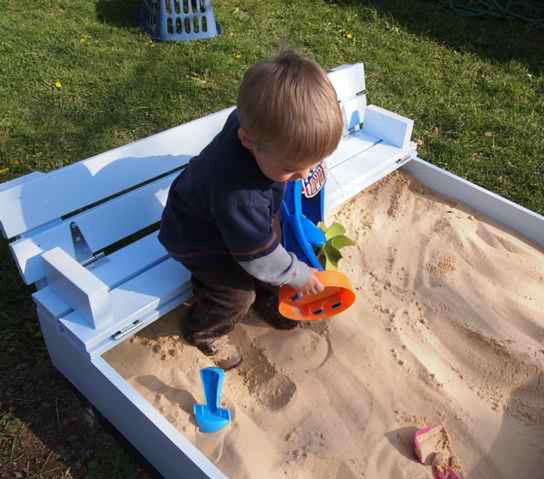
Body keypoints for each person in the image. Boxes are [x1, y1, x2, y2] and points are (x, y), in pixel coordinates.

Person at [159, 49, 343, 369]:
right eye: (291, 168)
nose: (302, 175)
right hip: (199, 237)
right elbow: (257, 256)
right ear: (247, 140)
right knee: (234, 294)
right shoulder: (239, 193)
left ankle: (271, 297)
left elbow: (262, 244)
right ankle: (204, 330)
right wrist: (298, 274)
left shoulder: (259, 128)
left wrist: (290, 168)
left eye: (311, 164)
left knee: (273, 245)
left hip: (242, 221)